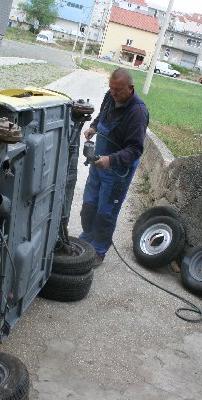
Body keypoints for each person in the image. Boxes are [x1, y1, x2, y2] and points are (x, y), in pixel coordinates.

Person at [79, 68, 149, 267]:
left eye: (118, 90)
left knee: (105, 212)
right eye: (111, 88)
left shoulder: (138, 112)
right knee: (90, 204)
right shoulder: (110, 96)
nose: (113, 93)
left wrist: (111, 160)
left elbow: (135, 150)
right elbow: (102, 116)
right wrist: (93, 126)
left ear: (130, 88)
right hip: (98, 162)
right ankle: (87, 236)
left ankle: (99, 250)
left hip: (118, 170)